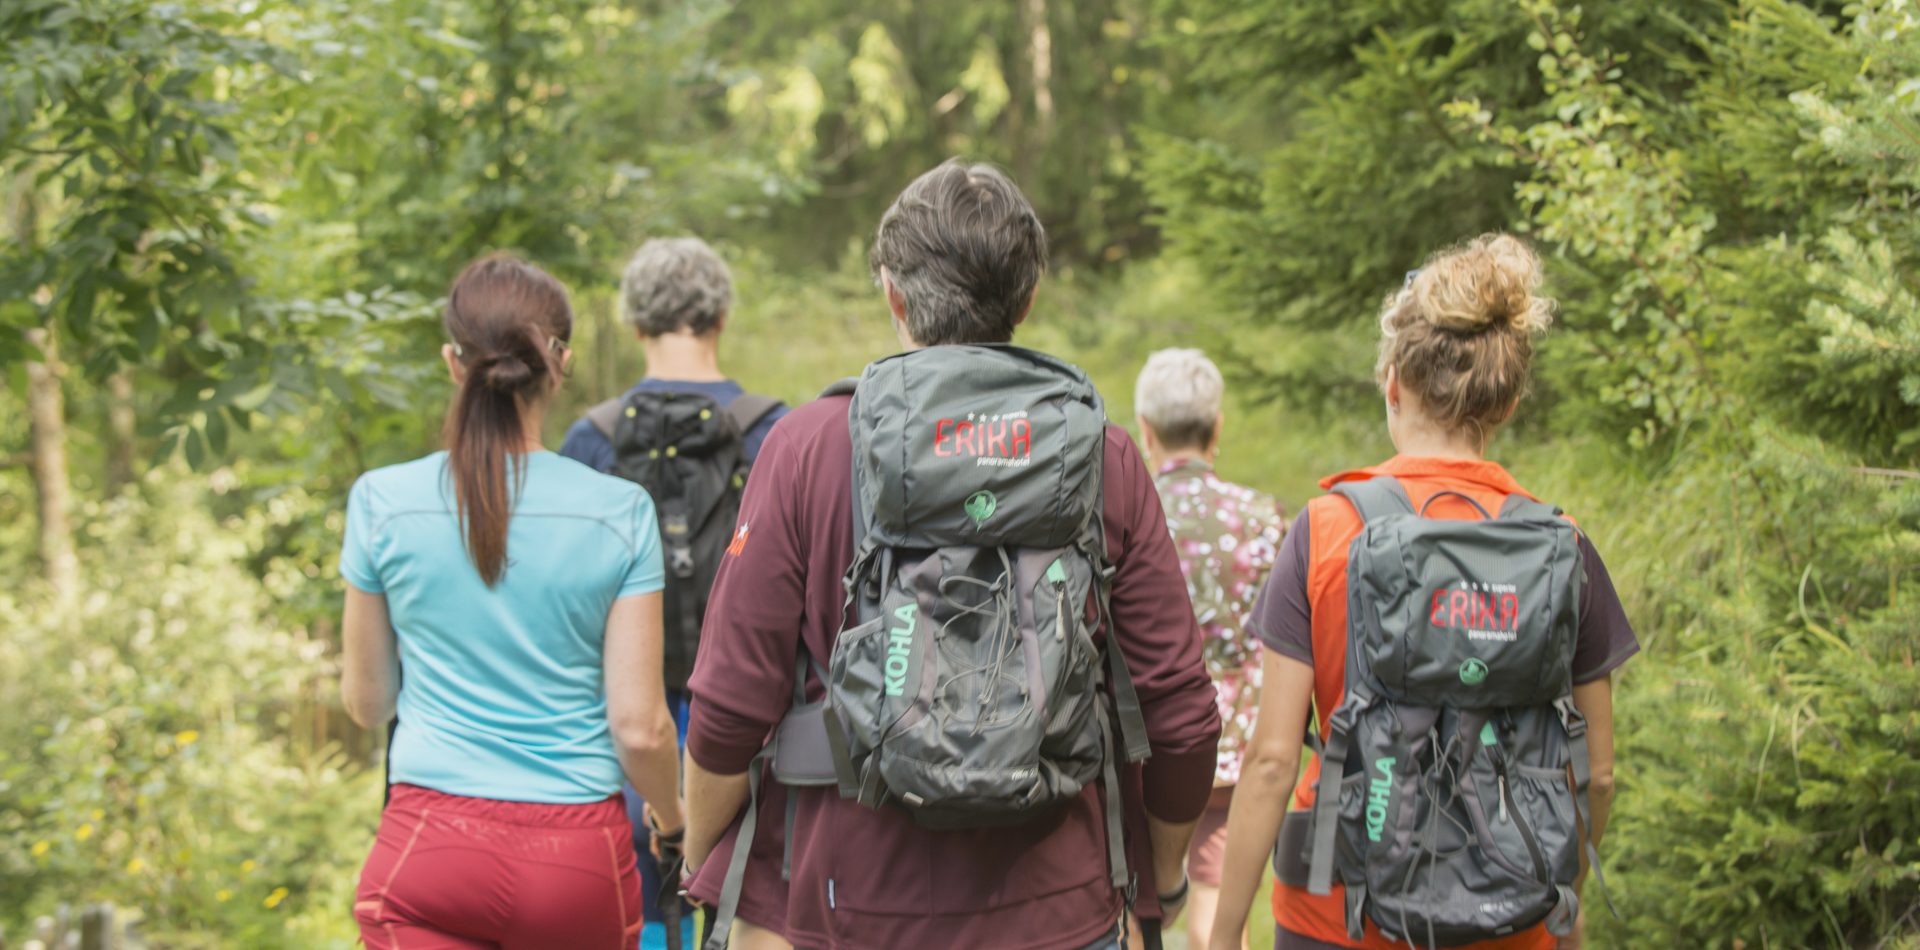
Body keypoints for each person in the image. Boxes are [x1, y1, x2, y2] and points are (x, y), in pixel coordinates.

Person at [679, 160, 1222, 950]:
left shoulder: (807, 449)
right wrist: (1163, 874)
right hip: (1059, 910)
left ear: (893, 297)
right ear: (1027, 300)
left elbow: (730, 706)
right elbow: (1181, 716)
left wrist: (702, 857)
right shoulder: (1101, 457)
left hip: (845, 906)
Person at [1208, 235, 1639, 950]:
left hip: (1336, 913)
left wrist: (1223, 938)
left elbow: (1273, 762)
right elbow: (1596, 774)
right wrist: (1563, 897)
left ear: (1392, 386)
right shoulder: (1561, 547)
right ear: (1506, 405)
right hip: (1510, 914)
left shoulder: (1326, 531)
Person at [340, 253, 685, 949]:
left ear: (451, 360)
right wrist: (675, 820)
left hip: (427, 849)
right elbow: (640, 726)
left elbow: (369, 703)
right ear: (557, 364)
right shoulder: (619, 513)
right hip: (574, 860)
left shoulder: (381, 502)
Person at [559, 237, 787, 950]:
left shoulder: (590, 442)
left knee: (637, 904)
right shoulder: (774, 431)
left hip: (625, 724)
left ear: (633, 325)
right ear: (720, 317)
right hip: (752, 728)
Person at [1133, 348, 1286, 950]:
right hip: (1236, 746)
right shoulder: (1265, 518)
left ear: (1145, 431)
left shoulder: (1128, 514)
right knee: (1217, 914)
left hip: (1147, 745)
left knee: (1135, 903)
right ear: (1216, 427)